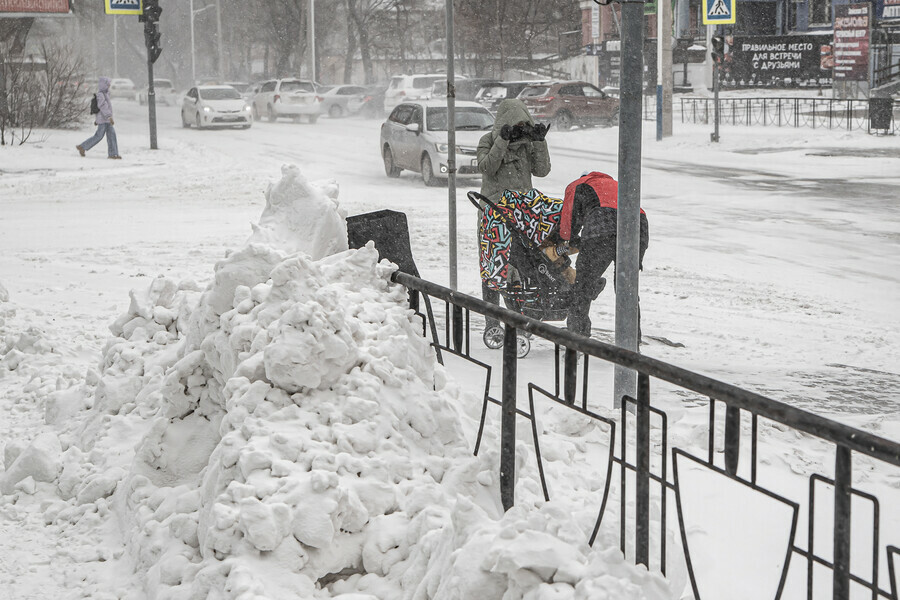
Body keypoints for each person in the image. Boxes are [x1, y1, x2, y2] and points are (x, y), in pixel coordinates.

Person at [476, 99, 551, 330]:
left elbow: (542, 170)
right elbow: (487, 167)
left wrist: (539, 142)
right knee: (493, 268)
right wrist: (502, 140)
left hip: (521, 216)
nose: (520, 130)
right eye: (515, 125)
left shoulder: (527, 145)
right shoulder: (488, 140)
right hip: (494, 215)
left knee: (518, 269)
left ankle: (516, 322)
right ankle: (492, 323)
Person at [556, 171, 649, 338]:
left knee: (583, 285)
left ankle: (577, 333)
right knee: (626, 287)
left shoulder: (578, 185)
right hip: (637, 227)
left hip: (602, 225)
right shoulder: (616, 184)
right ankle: (632, 336)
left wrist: (567, 240)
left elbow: (568, 226)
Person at [76, 76, 121, 160]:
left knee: (111, 135)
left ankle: (113, 154)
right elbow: (102, 106)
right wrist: (109, 116)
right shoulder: (101, 94)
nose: (109, 85)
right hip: (104, 120)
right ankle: (82, 147)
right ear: (104, 85)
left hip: (106, 119)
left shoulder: (106, 94)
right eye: (108, 84)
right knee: (99, 136)